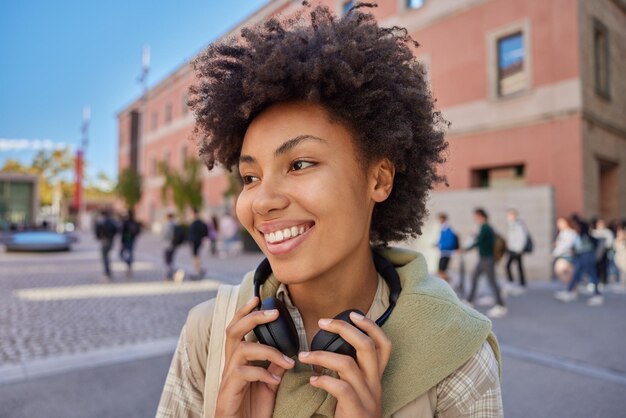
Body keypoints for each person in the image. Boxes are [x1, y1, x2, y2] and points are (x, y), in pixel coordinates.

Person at [157, 4, 503, 418]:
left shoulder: (457, 354)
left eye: (299, 164)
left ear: (378, 180)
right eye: (250, 178)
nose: (263, 200)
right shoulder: (208, 334)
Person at [461, 208, 507, 318]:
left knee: (492, 282)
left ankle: (501, 306)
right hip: (483, 259)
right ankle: (469, 300)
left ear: (481, 216)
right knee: (474, 277)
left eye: (476, 216)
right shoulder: (484, 227)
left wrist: (465, 249)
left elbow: (478, 242)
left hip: (487, 259)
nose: (474, 218)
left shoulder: (486, 227)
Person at [555, 217, 603, 306]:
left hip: (587, 255)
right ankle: (570, 291)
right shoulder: (578, 235)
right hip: (581, 256)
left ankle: (597, 294)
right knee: (577, 274)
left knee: (592, 274)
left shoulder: (585, 236)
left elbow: (590, 246)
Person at [505, 209, 529, 294]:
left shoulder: (518, 225)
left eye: (510, 215)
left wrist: (519, 249)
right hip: (512, 248)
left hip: (516, 249)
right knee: (519, 266)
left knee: (509, 265)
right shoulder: (512, 224)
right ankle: (521, 284)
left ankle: (513, 283)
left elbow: (522, 237)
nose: (508, 217)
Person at [94, 209, 118, 281]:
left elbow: (97, 230)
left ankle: (107, 272)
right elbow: (116, 229)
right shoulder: (112, 221)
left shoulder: (101, 221)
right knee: (107, 256)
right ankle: (108, 271)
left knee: (105, 257)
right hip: (110, 240)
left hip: (104, 240)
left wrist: (100, 237)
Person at [435, 213, 459, 282]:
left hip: (446, 252)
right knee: (441, 271)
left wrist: (441, 245)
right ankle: (446, 283)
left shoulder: (448, 229)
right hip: (443, 252)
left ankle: (448, 282)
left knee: (441, 271)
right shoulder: (443, 228)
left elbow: (449, 242)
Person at [552, 217, 577, 284]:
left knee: (563, 270)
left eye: (561, 223)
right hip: (563, 255)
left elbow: (566, 245)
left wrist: (555, 253)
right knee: (567, 272)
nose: (559, 225)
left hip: (567, 255)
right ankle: (570, 288)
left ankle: (571, 288)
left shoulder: (569, 232)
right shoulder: (563, 232)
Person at [591, 218, 614, 286]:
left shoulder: (607, 232)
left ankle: (603, 281)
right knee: (596, 267)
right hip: (595, 253)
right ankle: (596, 281)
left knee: (604, 267)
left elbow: (609, 242)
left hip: (604, 253)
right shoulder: (594, 232)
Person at [163, 213, 185, 281]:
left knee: (168, 260)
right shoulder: (175, 225)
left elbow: (166, 235)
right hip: (174, 245)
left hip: (168, 244)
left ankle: (173, 273)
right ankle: (172, 273)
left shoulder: (168, 225)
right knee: (171, 260)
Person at [119, 210, 141, 278]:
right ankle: (129, 264)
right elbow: (138, 231)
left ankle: (128, 263)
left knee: (121, 253)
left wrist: (122, 241)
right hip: (132, 240)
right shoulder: (135, 222)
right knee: (130, 252)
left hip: (126, 239)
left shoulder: (126, 222)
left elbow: (122, 232)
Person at [188, 208, 209, 278]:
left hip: (195, 241)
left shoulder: (195, 222)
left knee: (195, 256)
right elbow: (205, 231)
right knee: (197, 255)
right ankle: (198, 269)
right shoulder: (201, 222)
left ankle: (197, 270)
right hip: (198, 240)